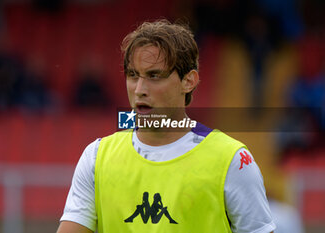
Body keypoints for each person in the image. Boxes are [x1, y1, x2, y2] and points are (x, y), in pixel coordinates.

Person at [57, 19, 276, 233]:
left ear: (188, 81)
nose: (139, 89)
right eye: (133, 75)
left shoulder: (232, 161)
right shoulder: (96, 157)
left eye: (154, 76)